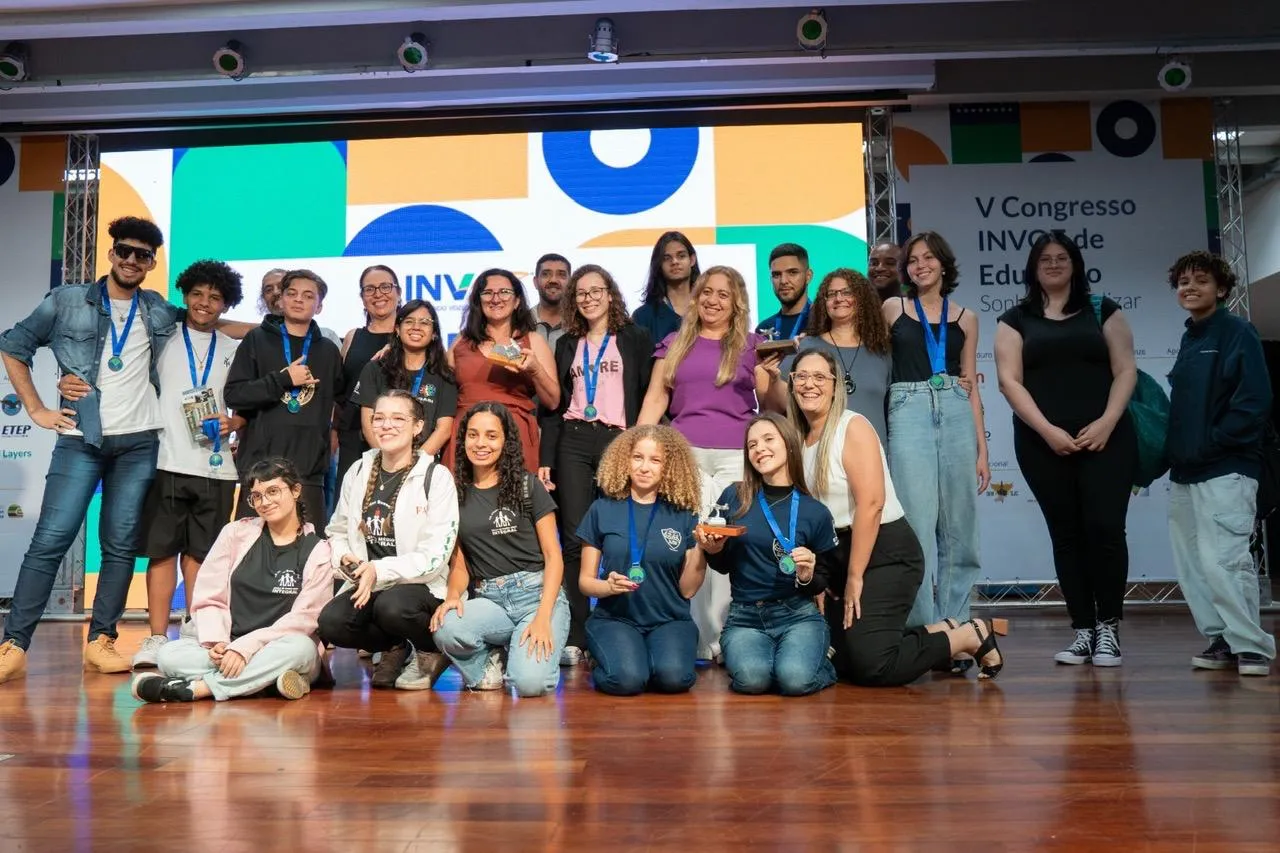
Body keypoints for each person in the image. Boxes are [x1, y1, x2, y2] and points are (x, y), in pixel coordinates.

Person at [0, 217, 186, 682]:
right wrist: (37, 408)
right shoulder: (67, 300)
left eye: (142, 255)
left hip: (139, 443)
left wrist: (278, 323)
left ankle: (101, 640)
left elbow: (206, 320)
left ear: (151, 263)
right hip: (79, 440)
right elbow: (13, 345)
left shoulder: (157, 309)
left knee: (119, 546)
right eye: (124, 250)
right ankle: (13, 643)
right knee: (50, 540)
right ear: (111, 253)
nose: (131, 260)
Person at [788, 349, 1006, 684]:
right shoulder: (797, 439)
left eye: (820, 377)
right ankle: (943, 629)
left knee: (872, 665)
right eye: (801, 376)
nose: (809, 384)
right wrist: (822, 574)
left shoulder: (852, 427)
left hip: (884, 553)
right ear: (791, 383)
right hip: (837, 552)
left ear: (835, 386)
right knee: (835, 658)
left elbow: (872, 505)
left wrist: (854, 577)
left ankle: (968, 636)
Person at [995, 232, 1137, 667]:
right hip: (1042, 444)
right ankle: (1083, 630)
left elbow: (1126, 370)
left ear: (1075, 264)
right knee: (1066, 535)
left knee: (1105, 530)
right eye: (1045, 259)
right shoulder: (1015, 319)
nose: (1054, 264)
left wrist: (1108, 422)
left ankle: (1108, 628)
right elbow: (1009, 382)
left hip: (1107, 439)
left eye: (1062, 258)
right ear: (1033, 268)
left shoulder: (1103, 310)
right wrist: (1047, 431)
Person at [638, 265, 783, 661]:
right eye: (706, 292)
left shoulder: (753, 346)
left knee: (731, 543)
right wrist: (634, 446)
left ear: (737, 303)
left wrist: (772, 379)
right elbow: (655, 398)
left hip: (738, 456)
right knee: (693, 543)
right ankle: (700, 638)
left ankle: (732, 636)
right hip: (686, 455)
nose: (713, 300)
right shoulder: (674, 343)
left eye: (723, 294)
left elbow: (772, 406)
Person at [130, 458, 333, 702]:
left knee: (301, 649)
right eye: (257, 496)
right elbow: (209, 596)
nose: (265, 502)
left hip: (279, 647)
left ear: (296, 490)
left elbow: (305, 619)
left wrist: (247, 648)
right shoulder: (235, 533)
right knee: (169, 654)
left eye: (273, 491)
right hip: (229, 645)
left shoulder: (319, 550)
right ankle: (264, 681)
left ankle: (196, 689)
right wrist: (218, 642)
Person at [128, 260, 246, 668]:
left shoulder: (234, 348)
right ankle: (156, 636)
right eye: (197, 294)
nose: (204, 303)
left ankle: (196, 630)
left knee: (201, 556)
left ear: (226, 304)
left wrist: (236, 422)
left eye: (215, 297)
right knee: (161, 553)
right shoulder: (161, 337)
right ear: (184, 295)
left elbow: (247, 401)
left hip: (216, 466)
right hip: (166, 460)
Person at [1166, 251, 1275, 677]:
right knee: (1194, 565)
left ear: (1222, 289)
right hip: (1186, 472)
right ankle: (1222, 639)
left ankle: (1252, 646)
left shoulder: (1237, 331)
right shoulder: (1190, 337)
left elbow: (1254, 400)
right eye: (1183, 282)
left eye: (1201, 281)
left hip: (1227, 467)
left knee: (1226, 560)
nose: (1190, 288)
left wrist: (1215, 442)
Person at [541, 265, 654, 666]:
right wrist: (546, 458)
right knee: (574, 537)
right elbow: (554, 407)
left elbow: (647, 393)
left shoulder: (635, 338)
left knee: (620, 532)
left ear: (610, 294)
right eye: (581, 293)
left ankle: (621, 625)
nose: (588, 299)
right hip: (573, 440)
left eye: (596, 291)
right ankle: (577, 634)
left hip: (618, 440)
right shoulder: (567, 343)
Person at [883, 232, 989, 635]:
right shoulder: (894, 308)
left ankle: (956, 629)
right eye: (912, 260)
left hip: (957, 410)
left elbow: (972, 385)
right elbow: (878, 365)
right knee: (916, 525)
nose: (920, 266)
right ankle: (919, 632)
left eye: (928, 258)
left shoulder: (966, 318)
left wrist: (981, 449)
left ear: (944, 264)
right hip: (908, 408)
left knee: (961, 529)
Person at [320, 391, 460, 689]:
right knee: (332, 623)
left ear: (418, 427)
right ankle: (395, 646)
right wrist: (345, 558)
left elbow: (435, 556)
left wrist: (379, 569)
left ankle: (431, 650)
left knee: (392, 607)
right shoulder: (359, 470)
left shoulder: (436, 476)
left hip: (419, 585)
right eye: (379, 418)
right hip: (370, 583)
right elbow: (338, 530)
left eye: (398, 418)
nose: (386, 425)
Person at [430, 403, 570, 696]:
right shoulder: (456, 494)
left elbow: (554, 556)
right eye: (473, 435)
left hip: (536, 596)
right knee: (446, 626)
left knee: (529, 685)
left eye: (491, 436)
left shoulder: (528, 486)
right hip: (491, 599)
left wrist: (543, 616)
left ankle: (524, 655)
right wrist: (452, 596)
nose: (481, 443)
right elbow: (460, 565)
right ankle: (489, 664)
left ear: (506, 441)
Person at [693, 414, 836, 695]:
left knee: (795, 681)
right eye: (752, 445)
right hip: (745, 617)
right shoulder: (734, 496)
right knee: (752, 681)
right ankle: (786, 662)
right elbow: (722, 565)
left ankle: (821, 664)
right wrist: (713, 550)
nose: (759, 449)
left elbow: (821, 580)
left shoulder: (815, 511)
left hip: (797, 615)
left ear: (789, 444)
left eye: (768, 439)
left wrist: (806, 576)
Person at [577, 425, 704, 695]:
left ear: (668, 467)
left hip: (669, 619)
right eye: (638, 457)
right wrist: (607, 586)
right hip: (615, 619)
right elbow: (585, 582)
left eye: (655, 460)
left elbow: (688, 590)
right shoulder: (601, 509)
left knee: (674, 679)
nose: (644, 467)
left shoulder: (683, 514)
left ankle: (643, 657)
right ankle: (608, 659)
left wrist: (702, 550)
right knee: (627, 681)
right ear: (625, 460)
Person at [225, 269, 345, 528]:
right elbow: (235, 395)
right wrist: (282, 380)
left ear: (319, 306)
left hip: (308, 474)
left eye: (308, 295)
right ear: (282, 299)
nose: (299, 299)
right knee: (251, 547)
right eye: (292, 293)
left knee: (309, 549)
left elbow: (342, 402)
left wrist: (330, 439)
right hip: (259, 470)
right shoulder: (256, 340)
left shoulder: (328, 351)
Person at [445, 269, 557, 477]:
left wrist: (535, 369)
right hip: (466, 436)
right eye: (488, 293)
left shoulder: (533, 341)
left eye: (504, 292)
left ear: (517, 301)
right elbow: (435, 375)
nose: (496, 299)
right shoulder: (461, 340)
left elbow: (553, 401)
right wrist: (396, 346)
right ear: (478, 301)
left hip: (513, 434)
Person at [778, 269, 893, 445]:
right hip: (823, 452)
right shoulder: (806, 346)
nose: (839, 298)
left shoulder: (881, 352)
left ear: (862, 299)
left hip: (873, 454)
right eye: (831, 294)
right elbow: (779, 401)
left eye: (847, 292)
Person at [351, 299, 457, 460]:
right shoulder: (375, 369)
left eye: (424, 322)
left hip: (423, 463)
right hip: (380, 461)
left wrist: (413, 463)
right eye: (409, 321)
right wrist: (388, 460)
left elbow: (443, 429)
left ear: (434, 333)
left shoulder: (444, 375)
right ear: (397, 329)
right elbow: (368, 424)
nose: (416, 327)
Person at [335, 265, 401, 483]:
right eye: (370, 289)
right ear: (362, 298)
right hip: (352, 438)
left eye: (385, 287)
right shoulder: (352, 337)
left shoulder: (412, 338)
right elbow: (340, 391)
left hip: (397, 435)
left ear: (398, 293)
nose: (378, 294)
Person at [632, 231, 701, 346]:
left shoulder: (708, 309)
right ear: (659, 265)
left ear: (692, 260)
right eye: (667, 258)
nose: (675, 262)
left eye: (681, 256)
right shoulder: (643, 316)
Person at [755, 243, 813, 341]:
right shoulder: (764, 329)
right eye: (776, 275)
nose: (783, 281)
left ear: (808, 276)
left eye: (792, 272)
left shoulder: (823, 323)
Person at [532, 253, 570, 351]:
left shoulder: (581, 323)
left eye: (561, 274)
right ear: (535, 282)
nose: (553, 280)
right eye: (546, 274)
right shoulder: (521, 322)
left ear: (570, 282)